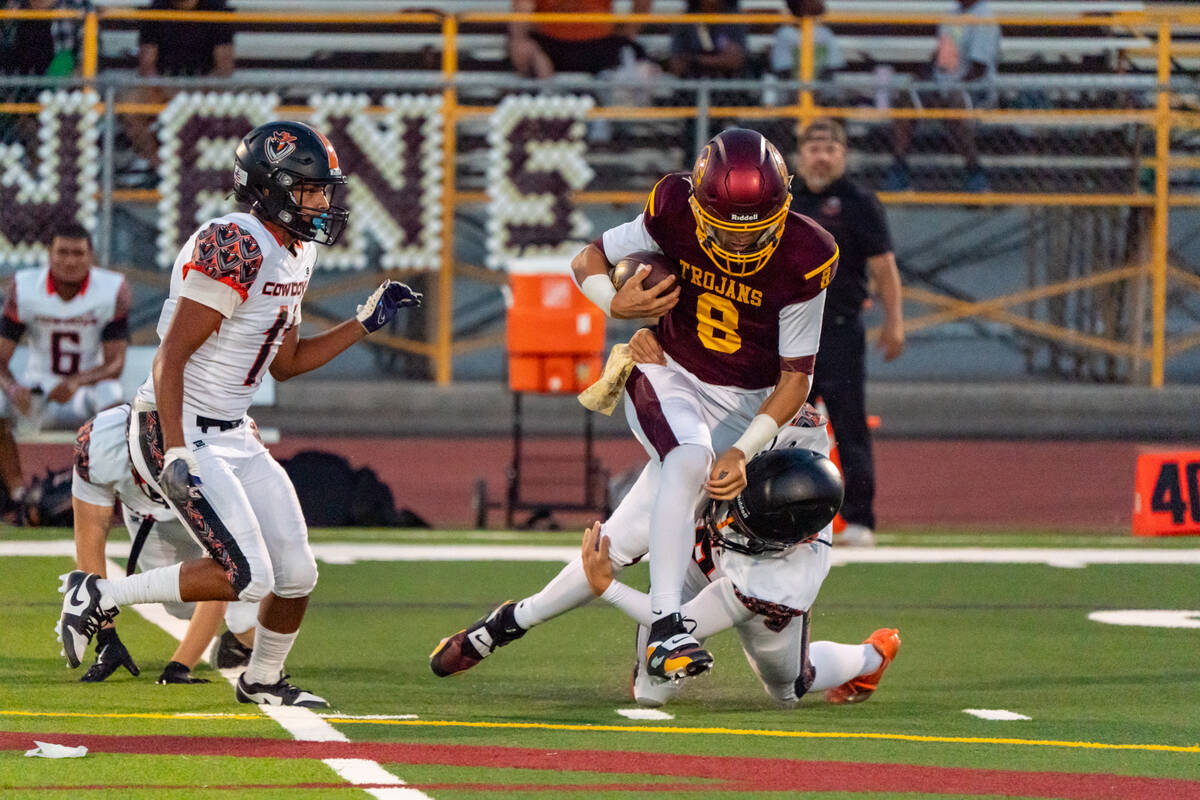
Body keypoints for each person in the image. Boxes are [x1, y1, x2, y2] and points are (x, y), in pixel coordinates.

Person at [433, 130, 837, 684]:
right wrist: (614, 303)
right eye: (725, 231)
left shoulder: (807, 254)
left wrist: (743, 450)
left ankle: (500, 626)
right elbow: (586, 259)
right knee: (690, 458)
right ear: (697, 207)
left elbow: (796, 379)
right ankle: (669, 624)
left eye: (755, 233)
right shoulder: (672, 206)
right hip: (667, 371)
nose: (739, 246)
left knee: (618, 544)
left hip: (747, 407)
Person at [56, 120, 423, 708]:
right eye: (309, 190)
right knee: (244, 573)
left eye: (324, 189)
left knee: (297, 572)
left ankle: (264, 679)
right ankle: (101, 595)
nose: (323, 202)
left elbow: (288, 363)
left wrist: (362, 324)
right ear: (271, 187)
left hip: (233, 432)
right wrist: (174, 449)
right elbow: (170, 359)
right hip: (176, 425)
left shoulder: (293, 251)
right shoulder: (236, 243)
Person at [580, 406, 900, 708]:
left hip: (748, 582)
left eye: (746, 523)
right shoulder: (780, 426)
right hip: (700, 549)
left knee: (788, 689)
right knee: (649, 688)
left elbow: (674, 620)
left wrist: (609, 588)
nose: (730, 522)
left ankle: (872, 657)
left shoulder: (780, 581)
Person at [69, 403, 258, 684]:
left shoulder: (221, 445)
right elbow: (90, 539)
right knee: (179, 605)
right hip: (150, 517)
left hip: (211, 512)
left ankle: (254, 626)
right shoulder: (97, 443)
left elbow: (224, 568)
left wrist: (180, 664)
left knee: (246, 616)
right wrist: (106, 635)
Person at [790, 118, 903, 548]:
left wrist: (894, 322)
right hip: (789, 333)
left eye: (830, 148)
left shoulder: (859, 202)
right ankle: (783, 514)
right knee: (785, 427)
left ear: (842, 154)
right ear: (800, 155)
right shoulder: (785, 200)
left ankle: (859, 518)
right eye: (813, 147)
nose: (821, 155)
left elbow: (883, 267)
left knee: (849, 424)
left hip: (839, 332)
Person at [0, 223, 129, 513]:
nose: (70, 260)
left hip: (86, 391)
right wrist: (13, 387)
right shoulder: (25, 288)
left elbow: (116, 363)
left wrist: (76, 382)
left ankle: (114, 497)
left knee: (115, 399)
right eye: (63, 252)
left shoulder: (111, 290)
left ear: (91, 257)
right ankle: (18, 496)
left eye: (78, 253)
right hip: (37, 393)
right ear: (49, 254)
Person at [885, 0, 1001, 192]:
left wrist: (948, 89)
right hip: (943, 85)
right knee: (905, 99)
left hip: (975, 88)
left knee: (953, 103)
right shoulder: (951, 15)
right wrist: (924, 78)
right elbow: (940, 56)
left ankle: (975, 172)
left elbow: (979, 68)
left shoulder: (984, 17)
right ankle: (899, 170)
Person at [123, 0, 235, 171]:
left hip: (205, 85)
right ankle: (159, 168)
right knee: (129, 105)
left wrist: (196, 92)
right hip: (163, 84)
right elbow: (147, 65)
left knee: (233, 106)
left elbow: (224, 67)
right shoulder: (156, 9)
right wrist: (169, 91)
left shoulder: (216, 8)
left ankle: (206, 170)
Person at [508, 0, 649, 79]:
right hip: (555, 45)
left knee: (639, 64)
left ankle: (546, 106)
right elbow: (524, 7)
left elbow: (523, 7)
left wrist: (519, 40)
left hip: (594, 46)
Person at [668, 0, 748, 81]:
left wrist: (696, 60)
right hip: (692, 82)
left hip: (728, 83)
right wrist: (717, 59)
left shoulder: (734, 18)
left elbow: (735, 61)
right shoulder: (686, 20)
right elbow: (677, 65)